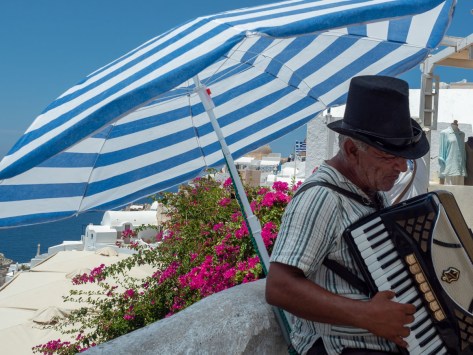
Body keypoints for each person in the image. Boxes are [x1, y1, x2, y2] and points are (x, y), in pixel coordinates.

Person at [266, 75, 430, 355]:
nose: (402, 167)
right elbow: (279, 287)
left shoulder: (371, 190)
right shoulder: (322, 198)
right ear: (352, 150)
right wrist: (365, 315)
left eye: (403, 156)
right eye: (389, 157)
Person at [438, 120, 467, 185]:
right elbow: (442, 153)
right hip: (450, 169)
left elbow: (463, 152)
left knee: (460, 193)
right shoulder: (444, 133)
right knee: (450, 193)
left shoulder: (462, 134)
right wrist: (442, 172)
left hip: (461, 169)